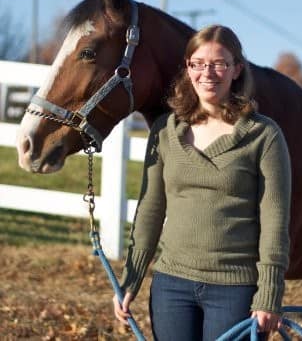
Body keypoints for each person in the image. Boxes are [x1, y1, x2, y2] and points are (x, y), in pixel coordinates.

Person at [113, 25, 291, 340]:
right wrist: (131, 278)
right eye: (197, 63)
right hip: (172, 285)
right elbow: (151, 210)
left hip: (235, 289)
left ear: (237, 69)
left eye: (219, 63)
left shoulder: (264, 135)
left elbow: (275, 222)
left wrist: (269, 295)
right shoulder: (165, 132)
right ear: (188, 68)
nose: (207, 72)